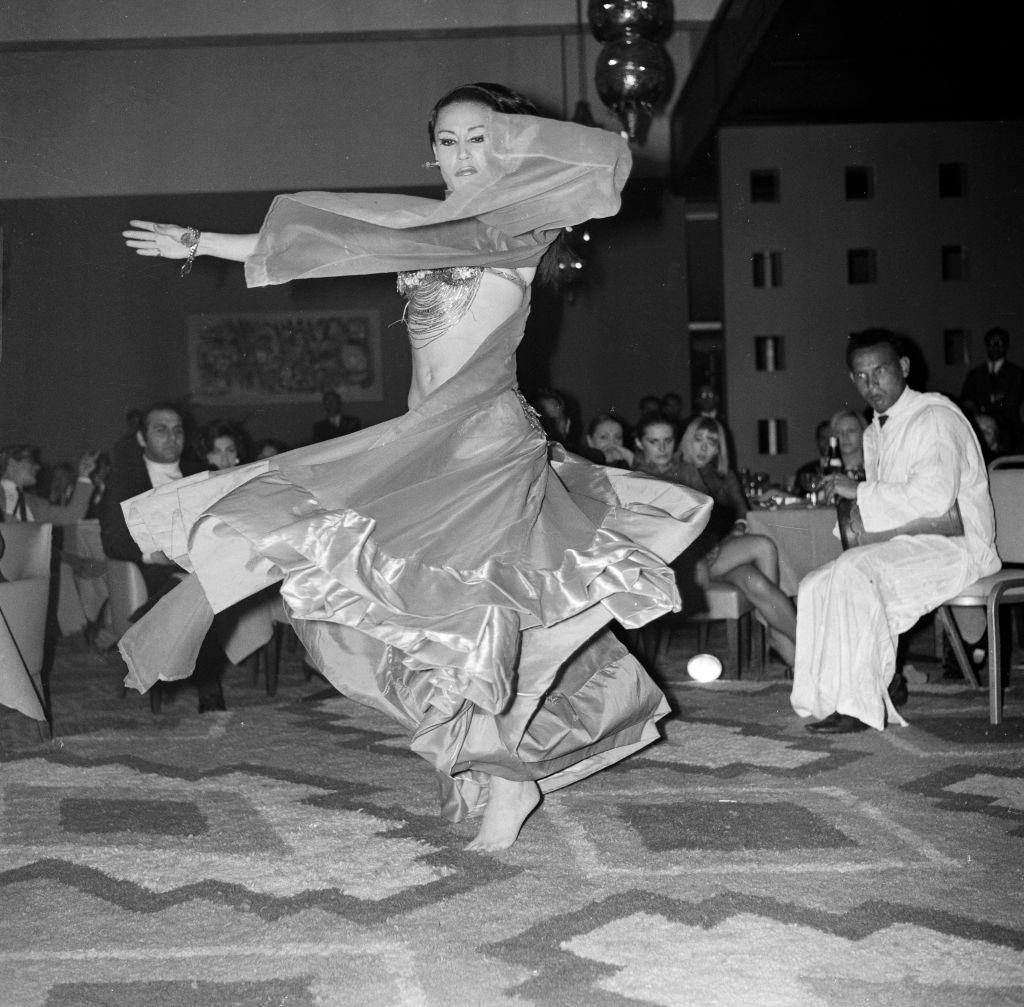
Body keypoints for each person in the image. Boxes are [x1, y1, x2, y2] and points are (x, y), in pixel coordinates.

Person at [121, 82, 711, 851]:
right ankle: (471, 758)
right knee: (341, 594)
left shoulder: (519, 221)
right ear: (427, 150)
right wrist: (200, 242)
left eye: (481, 138)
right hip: (418, 443)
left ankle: (509, 780)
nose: (464, 154)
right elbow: (332, 242)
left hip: (487, 447)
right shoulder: (421, 227)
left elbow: (609, 159)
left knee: (478, 618)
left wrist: (522, 143)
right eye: (450, 140)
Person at [794, 328, 998, 734]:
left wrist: (860, 490)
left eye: (881, 371)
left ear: (903, 368)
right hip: (913, 542)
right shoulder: (876, 430)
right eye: (862, 376)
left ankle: (861, 702)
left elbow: (935, 498)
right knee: (816, 583)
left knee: (856, 572)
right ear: (853, 379)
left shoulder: (934, 417)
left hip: (958, 546)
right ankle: (831, 696)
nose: (872, 384)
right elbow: (889, 510)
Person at [99, 403, 238, 712]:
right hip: (153, 572)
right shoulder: (124, 480)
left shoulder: (201, 475)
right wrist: (152, 555)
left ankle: (146, 624)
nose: (171, 437)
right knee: (201, 587)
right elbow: (112, 540)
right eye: (160, 430)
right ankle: (209, 691)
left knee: (214, 579)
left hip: (202, 563)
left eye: (177, 430)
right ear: (141, 438)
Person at [675, 416, 797, 667]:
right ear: (687, 442)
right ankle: (791, 640)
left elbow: (743, 513)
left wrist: (737, 529)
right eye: (698, 440)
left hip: (719, 555)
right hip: (692, 561)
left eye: (712, 442)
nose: (704, 448)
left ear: (720, 448)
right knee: (762, 545)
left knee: (757, 582)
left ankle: (796, 650)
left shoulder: (723, 475)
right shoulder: (677, 472)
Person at [960, 327, 1023, 451]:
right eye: (991, 343)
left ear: (1006, 346)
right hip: (980, 430)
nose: (995, 346)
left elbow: (1011, 401)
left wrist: (984, 407)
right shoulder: (975, 374)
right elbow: (967, 399)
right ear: (986, 345)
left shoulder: (1017, 374)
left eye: (999, 343)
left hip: (1009, 432)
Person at [1, 444, 96, 523]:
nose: (37, 467)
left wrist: (84, 475)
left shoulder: (36, 504)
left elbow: (72, 516)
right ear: (12, 464)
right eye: (31, 461)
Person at [632, 412, 688, 483]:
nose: (662, 448)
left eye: (668, 441)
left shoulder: (688, 471)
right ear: (639, 443)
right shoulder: (633, 478)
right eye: (653, 442)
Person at [792, 419, 831, 493]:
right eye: (823, 438)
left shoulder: (846, 469)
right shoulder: (805, 471)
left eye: (830, 438)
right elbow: (797, 498)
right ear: (817, 441)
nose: (827, 442)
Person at [829, 409, 867, 480]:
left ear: (863, 434)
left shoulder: (876, 471)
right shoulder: (828, 473)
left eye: (851, 431)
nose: (845, 436)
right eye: (839, 432)